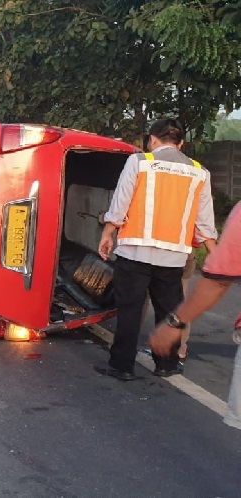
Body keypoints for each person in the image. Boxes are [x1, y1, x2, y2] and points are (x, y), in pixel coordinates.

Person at [94, 118, 217, 380]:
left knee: (130, 310)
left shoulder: (139, 162)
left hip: (135, 251)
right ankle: (167, 364)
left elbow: (121, 202)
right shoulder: (200, 172)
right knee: (169, 312)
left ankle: (121, 366)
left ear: (152, 140)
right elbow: (205, 221)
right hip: (173, 257)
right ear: (181, 144)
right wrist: (214, 255)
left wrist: (108, 232)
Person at [150, 201, 241, 428]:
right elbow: (204, 215)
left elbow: (217, 282)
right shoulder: (198, 179)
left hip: (153, 251)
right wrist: (211, 245)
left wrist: (174, 323)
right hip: (181, 251)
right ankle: (178, 355)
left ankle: (174, 354)